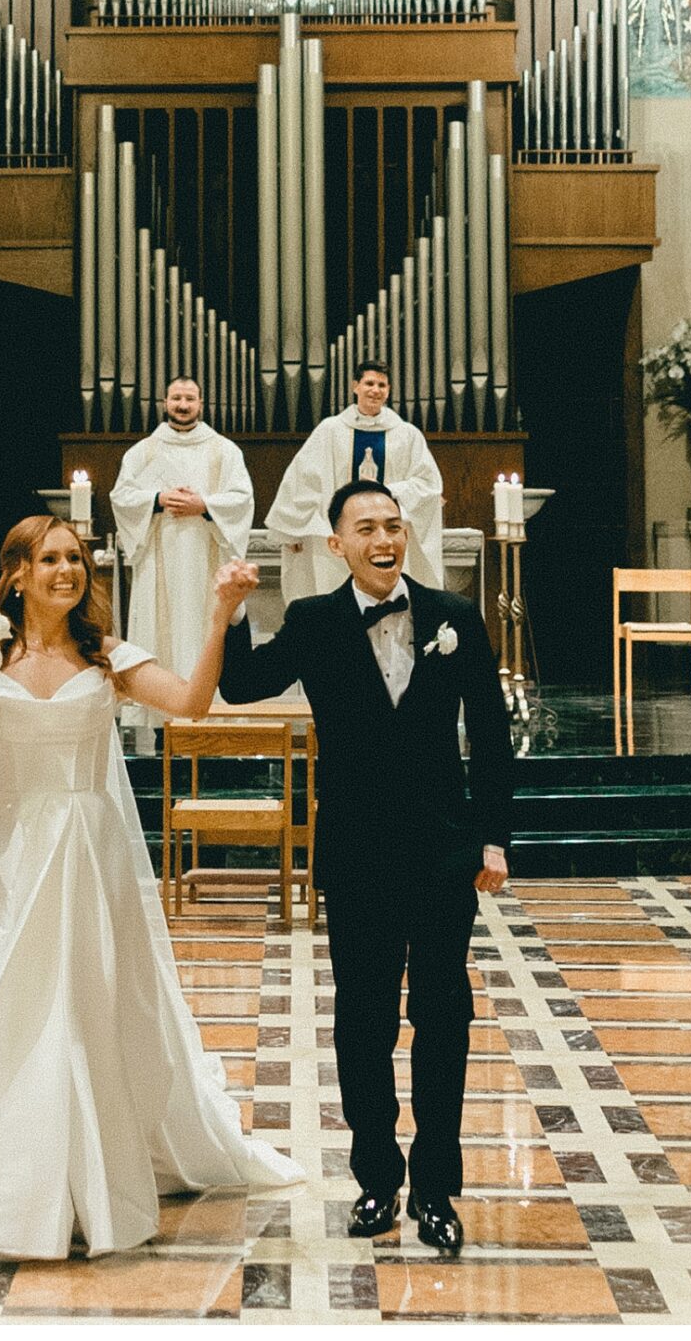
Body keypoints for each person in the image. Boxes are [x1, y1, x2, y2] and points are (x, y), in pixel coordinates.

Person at [0, 514, 299, 1260]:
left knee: (79, 1017)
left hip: (87, 853)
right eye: (51, 559)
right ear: (16, 572)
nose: (68, 571)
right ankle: (7, 1191)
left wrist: (219, 617)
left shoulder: (109, 656)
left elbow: (189, 702)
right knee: (4, 1017)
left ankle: (86, 1184)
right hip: (1, 856)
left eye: (77, 559)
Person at [218, 485, 514, 1259]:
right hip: (355, 851)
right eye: (366, 529)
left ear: (405, 534)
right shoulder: (315, 621)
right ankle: (376, 1178)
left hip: (444, 848)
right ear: (336, 546)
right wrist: (231, 613)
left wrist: (493, 838)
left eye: (392, 525)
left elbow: (488, 731)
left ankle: (438, 1187)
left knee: (444, 1016)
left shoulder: (454, 616)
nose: (383, 539)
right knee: (364, 1020)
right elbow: (241, 685)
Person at [110, 376, 255, 752]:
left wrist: (204, 505)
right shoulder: (143, 452)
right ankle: (161, 727)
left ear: (201, 404)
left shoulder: (224, 451)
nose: (183, 404)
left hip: (205, 563)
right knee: (162, 638)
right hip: (159, 563)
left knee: (202, 629)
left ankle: (210, 727)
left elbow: (241, 499)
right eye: (176, 397)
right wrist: (158, 498)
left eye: (189, 398)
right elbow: (122, 496)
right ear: (164, 401)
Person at [267, 361, 444, 608]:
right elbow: (303, 479)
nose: (375, 390)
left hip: (386, 540)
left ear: (389, 390)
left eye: (381, 385)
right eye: (369, 383)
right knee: (335, 604)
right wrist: (292, 528)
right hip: (336, 540)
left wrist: (389, 492)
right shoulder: (330, 430)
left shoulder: (407, 434)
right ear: (355, 387)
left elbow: (429, 484)